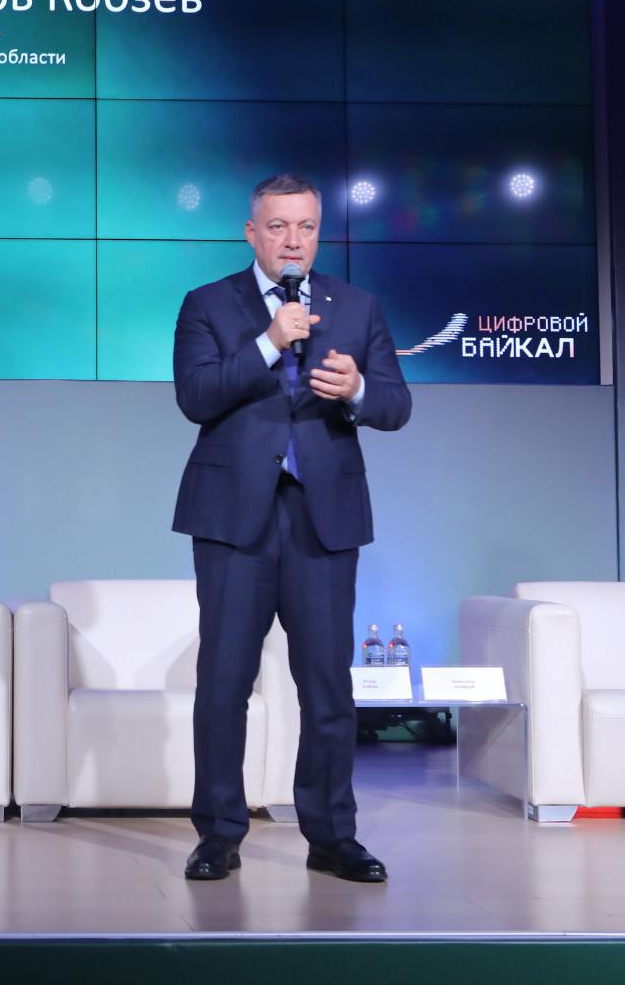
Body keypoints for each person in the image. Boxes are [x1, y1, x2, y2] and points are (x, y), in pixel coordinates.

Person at [171, 173, 411, 884]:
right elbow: (196, 396)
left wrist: (358, 391)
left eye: (305, 227)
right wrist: (269, 344)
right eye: (278, 227)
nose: (292, 241)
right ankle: (218, 835)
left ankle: (333, 836)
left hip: (322, 519)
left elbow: (396, 404)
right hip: (233, 519)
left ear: (318, 233)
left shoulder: (357, 306)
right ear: (252, 233)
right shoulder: (208, 304)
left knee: (328, 688)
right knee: (223, 684)